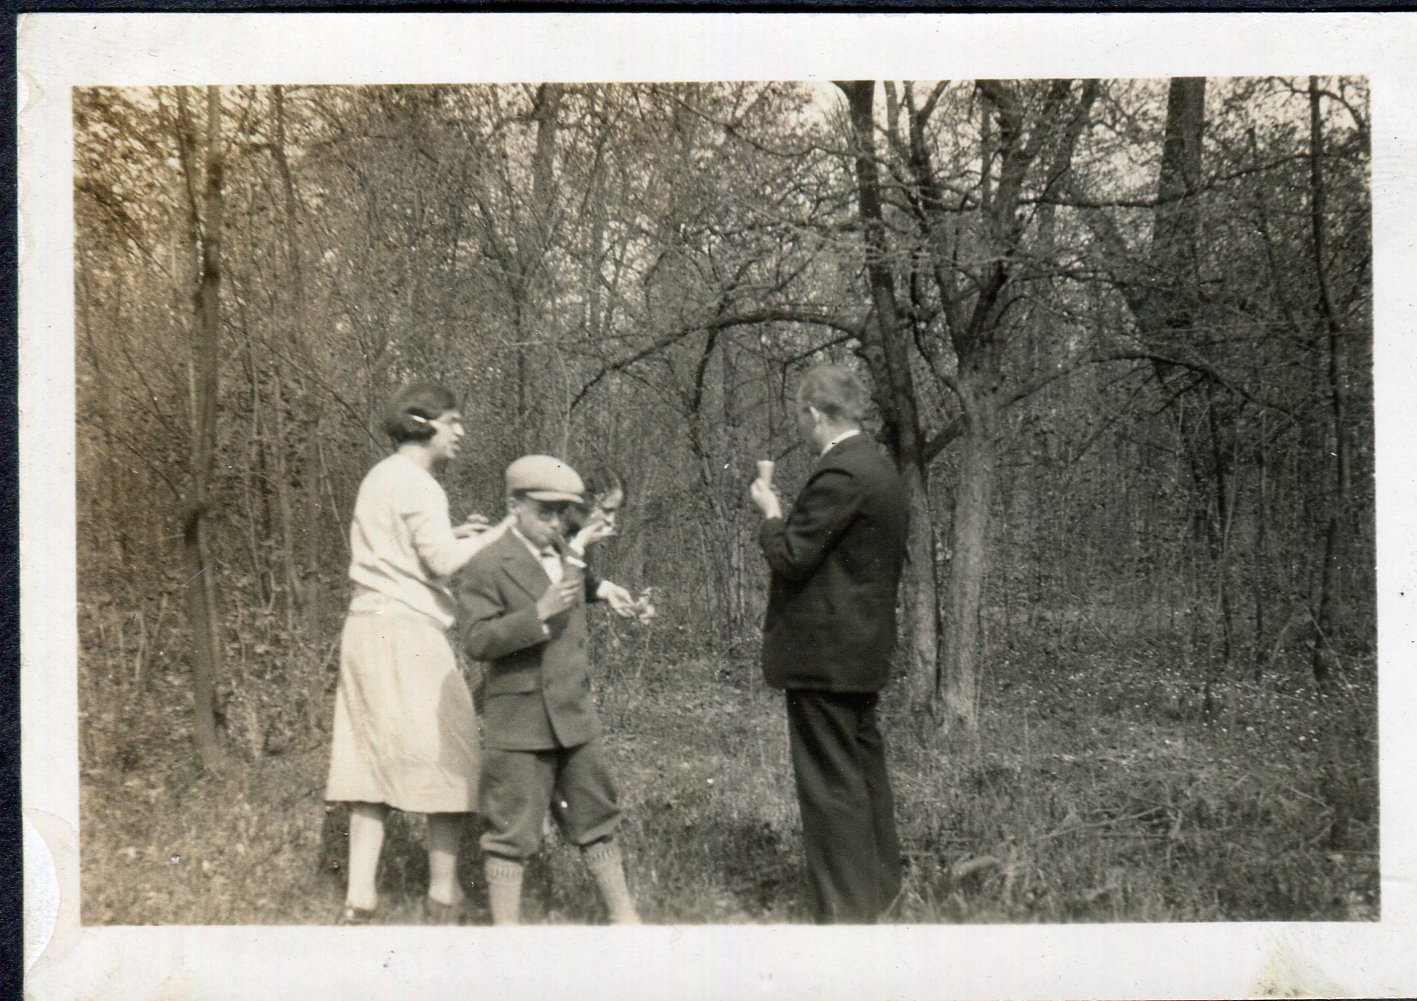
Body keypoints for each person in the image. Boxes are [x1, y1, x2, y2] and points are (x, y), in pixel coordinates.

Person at [324, 381, 510, 925]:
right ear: (423, 425)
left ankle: (359, 897)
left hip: (364, 626)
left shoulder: (380, 477)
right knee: (450, 751)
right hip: (406, 631)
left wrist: (456, 534)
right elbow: (444, 563)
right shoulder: (422, 484)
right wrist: (501, 531)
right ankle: (443, 893)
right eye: (453, 422)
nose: (461, 432)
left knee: (368, 754)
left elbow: (407, 552)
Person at [748, 363, 909, 924]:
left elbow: (791, 556)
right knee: (863, 779)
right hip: (860, 654)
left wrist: (771, 514)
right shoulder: (880, 468)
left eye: (801, 416)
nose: (801, 428)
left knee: (830, 788)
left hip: (825, 659)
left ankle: (845, 919)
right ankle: (880, 899)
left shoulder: (840, 472)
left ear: (815, 414)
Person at [457, 454, 645, 924]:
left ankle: (626, 922)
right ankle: (506, 934)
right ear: (513, 506)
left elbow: (574, 585)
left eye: (563, 512)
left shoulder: (564, 553)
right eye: (545, 512)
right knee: (510, 830)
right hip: (520, 722)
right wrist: (536, 614)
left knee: (596, 816)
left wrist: (606, 591)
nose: (556, 523)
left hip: (573, 716)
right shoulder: (486, 563)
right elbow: (476, 640)